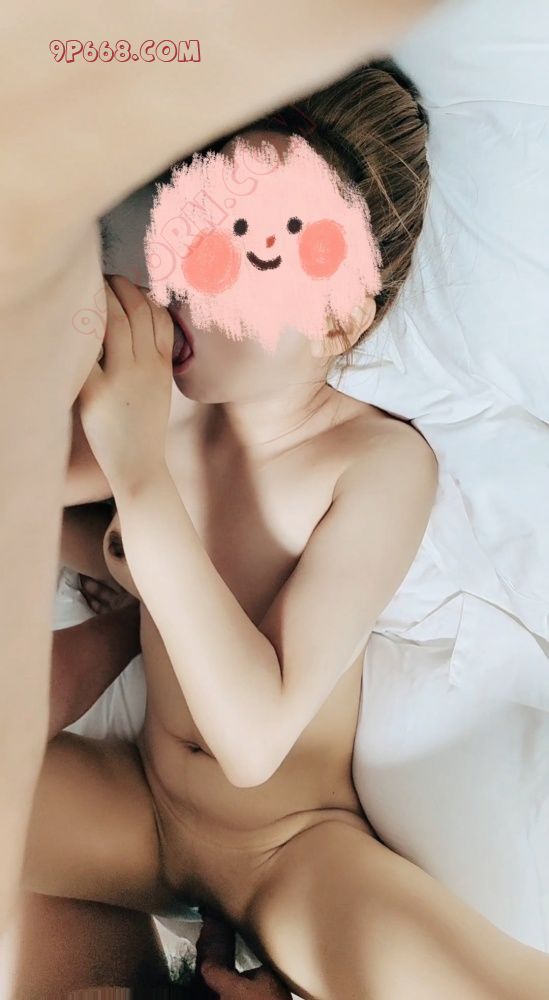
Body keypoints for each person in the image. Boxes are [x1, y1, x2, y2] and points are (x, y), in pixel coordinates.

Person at [15, 63, 549, 999]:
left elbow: (254, 738)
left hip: (289, 848)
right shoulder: (170, 411)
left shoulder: (374, 465)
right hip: (138, 809)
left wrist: (139, 473)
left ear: (340, 319)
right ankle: (129, 970)